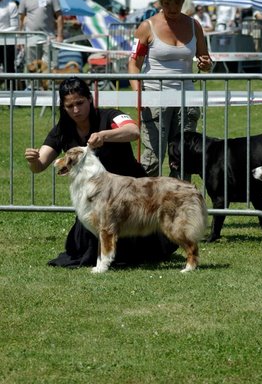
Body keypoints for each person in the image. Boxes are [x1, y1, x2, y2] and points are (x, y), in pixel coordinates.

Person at [24, 77, 177, 268]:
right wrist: (33, 160)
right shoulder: (62, 130)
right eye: (69, 106)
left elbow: (133, 131)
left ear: (90, 99)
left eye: (80, 103)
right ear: (63, 107)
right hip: (96, 200)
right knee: (81, 247)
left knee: (138, 249)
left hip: (131, 194)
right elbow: (40, 165)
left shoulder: (110, 116)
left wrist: (105, 135)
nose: (76, 110)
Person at [128, 0, 212, 178]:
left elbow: (205, 59)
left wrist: (206, 64)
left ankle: (179, 204)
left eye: (177, 3)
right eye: (167, 3)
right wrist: (138, 94)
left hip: (186, 100)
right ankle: (146, 204)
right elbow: (133, 64)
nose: (173, 8)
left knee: (184, 158)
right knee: (152, 158)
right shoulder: (146, 27)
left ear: (183, 0)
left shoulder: (194, 25)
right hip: (155, 99)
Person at [18, 0, 64, 66]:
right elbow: (21, 19)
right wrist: (19, 37)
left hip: (49, 38)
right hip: (30, 39)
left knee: (49, 67)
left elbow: (59, 16)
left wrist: (59, 35)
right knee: (31, 67)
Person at [0, 0, 19, 74]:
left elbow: (15, 27)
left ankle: (11, 88)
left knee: (9, 69)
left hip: (7, 43)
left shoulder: (11, 5)